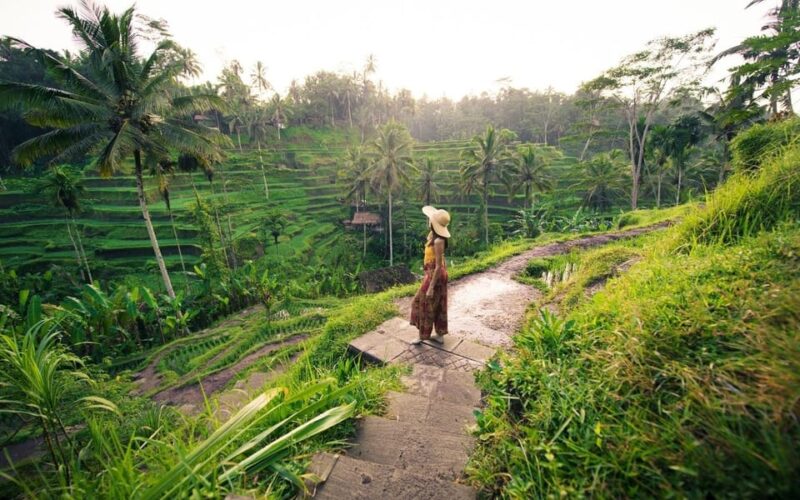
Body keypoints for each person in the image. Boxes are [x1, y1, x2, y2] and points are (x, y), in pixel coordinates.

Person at [410, 205, 450, 345]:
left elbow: (438, 265)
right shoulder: (433, 236)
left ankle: (422, 336)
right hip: (433, 273)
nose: (428, 220)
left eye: (430, 219)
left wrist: (431, 286)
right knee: (438, 304)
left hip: (436, 275)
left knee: (421, 303)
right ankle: (439, 335)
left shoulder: (439, 241)